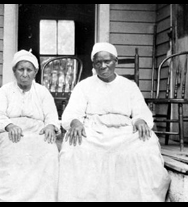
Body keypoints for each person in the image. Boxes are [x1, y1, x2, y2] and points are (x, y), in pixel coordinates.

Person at [57, 42, 171, 202]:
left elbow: (141, 110)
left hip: (123, 131)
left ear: (116, 61)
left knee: (146, 144)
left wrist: (140, 120)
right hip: (94, 131)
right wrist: (75, 122)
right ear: (94, 65)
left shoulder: (129, 86)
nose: (103, 66)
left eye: (107, 61)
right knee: (73, 145)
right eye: (98, 62)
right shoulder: (84, 86)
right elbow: (73, 111)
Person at [0, 50, 60, 202]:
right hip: (10, 132)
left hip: (37, 132)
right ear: (14, 71)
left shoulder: (42, 92)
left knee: (48, 150)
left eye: (29, 70)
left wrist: (50, 126)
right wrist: (9, 125)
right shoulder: (5, 91)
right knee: (11, 151)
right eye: (21, 69)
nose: (25, 74)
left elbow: (52, 116)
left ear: (35, 72)